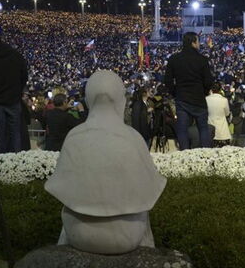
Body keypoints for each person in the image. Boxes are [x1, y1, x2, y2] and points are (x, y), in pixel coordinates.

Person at [44, 70, 166, 254]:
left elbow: (62, 189)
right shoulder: (133, 138)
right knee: (143, 214)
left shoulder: (74, 136)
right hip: (128, 236)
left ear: (87, 101)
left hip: (79, 234)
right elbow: (151, 192)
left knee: (69, 209)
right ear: (121, 101)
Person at [163, 32, 214, 150]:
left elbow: (168, 81)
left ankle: (185, 154)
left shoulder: (174, 59)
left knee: (182, 130)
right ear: (193, 43)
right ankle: (205, 155)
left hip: (182, 99)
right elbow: (208, 81)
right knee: (203, 129)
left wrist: (175, 93)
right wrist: (204, 92)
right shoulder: (202, 60)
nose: (199, 44)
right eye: (198, 41)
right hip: (199, 100)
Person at [0, 31, 28, 153]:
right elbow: (24, 75)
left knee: (0, 133)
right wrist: (18, 90)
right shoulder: (16, 55)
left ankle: (1, 161)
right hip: (14, 100)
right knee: (15, 133)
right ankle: (15, 160)